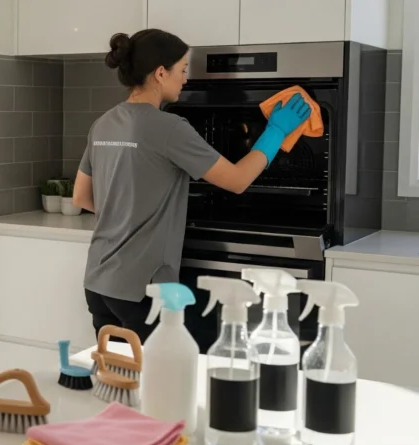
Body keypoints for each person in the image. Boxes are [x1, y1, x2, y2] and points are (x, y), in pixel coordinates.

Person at [72, 29, 311, 341]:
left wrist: (127, 210)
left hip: (99, 283)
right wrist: (276, 132)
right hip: (143, 290)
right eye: (182, 70)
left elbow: (82, 196)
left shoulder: (102, 123)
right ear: (160, 73)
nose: (185, 79)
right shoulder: (170, 128)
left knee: (120, 378)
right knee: (159, 381)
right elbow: (237, 181)